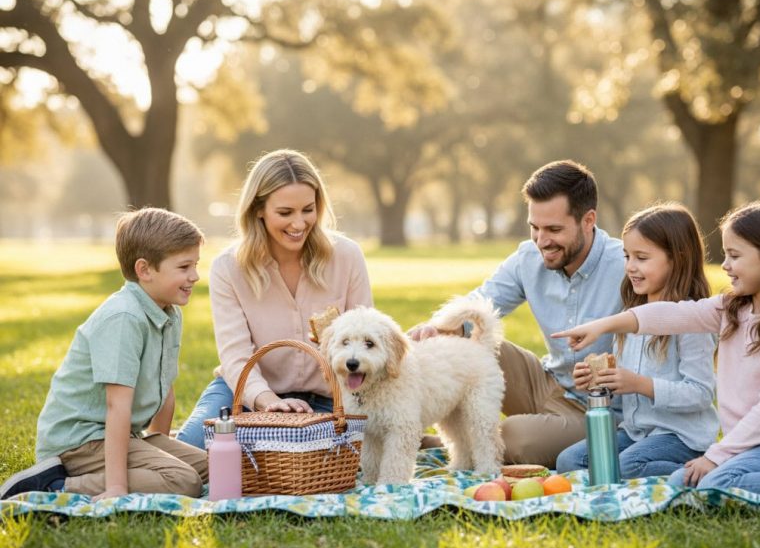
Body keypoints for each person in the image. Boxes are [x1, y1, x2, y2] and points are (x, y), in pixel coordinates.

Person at [554, 201, 760, 502]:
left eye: (734, 255)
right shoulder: (732, 307)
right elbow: (672, 314)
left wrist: (715, 456)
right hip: (748, 445)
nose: (725, 265)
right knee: (682, 481)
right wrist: (602, 326)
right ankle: (739, 476)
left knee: (713, 484)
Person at [409, 160, 625, 468]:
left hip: (596, 407)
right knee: (466, 350)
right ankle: (447, 439)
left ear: (588, 220)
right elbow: (482, 301)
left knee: (514, 437)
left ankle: (462, 447)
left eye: (554, 229)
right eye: (534, 228)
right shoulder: (528, 257)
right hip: (546, 382)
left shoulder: (625, 266)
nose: (541, 241)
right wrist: (440, 328)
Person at [0, 208, 208, 501]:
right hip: (79, 442)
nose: (195, 276)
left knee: (211, 468)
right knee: (184, 481)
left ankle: (137, 473)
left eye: (196, 265)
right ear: (144, 270)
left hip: (119, 435)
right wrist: (116, 488)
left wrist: (155, 447)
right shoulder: (123, 318)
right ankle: (55, 484)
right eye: (184, 267)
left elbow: (165, 386)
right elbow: (116, 406)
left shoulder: (169, 313)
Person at [176, 149, 372, 449]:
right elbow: (236, 356)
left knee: (333, 458)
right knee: (193, 448)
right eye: (285, 213)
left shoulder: (346, 256)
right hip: (247, 393)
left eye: (308, 209)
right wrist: (268, 401)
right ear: (258, 209)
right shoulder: (228, 268)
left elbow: (366, 337)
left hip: (330, 400)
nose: (299, 224)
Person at [555, 204, 718, 478]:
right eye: (627, 256)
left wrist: (641, 385)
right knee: (569, 462)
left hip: (680, 438)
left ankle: (706, 472)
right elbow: (624, 380)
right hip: (635, 433)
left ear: (677, 258)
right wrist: (597, 383)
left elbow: (701, 394)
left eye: (642, 257)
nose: (631, 267)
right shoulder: (628, 318)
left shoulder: (692, 321)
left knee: (626, 467)